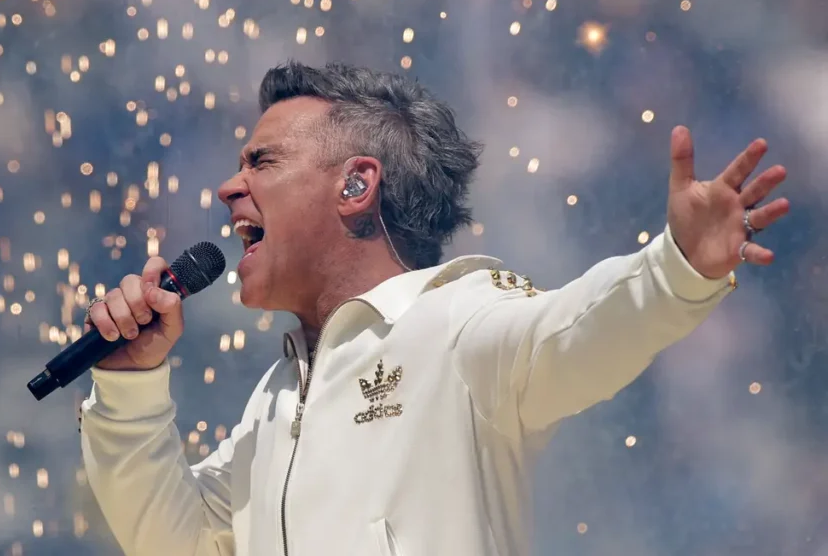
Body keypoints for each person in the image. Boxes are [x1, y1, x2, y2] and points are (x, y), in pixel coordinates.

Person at [79, 62, 789, 556]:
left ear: (356, 185)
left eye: (261, 162)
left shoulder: (457, 321)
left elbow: (578, 332)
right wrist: (129, 387)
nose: (229, 187)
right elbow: (174, 541)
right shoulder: (274, 399)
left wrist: (676, 265)